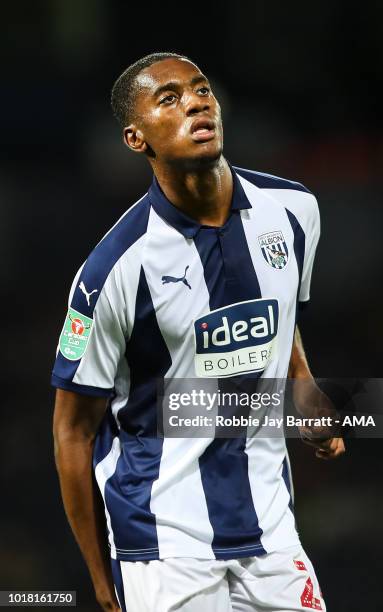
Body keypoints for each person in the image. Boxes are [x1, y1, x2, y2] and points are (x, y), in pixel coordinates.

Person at [52, 52, 345, 612]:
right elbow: (71, 432)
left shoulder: (293, 210)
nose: (195, 102)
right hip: (162, 547)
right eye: (169, 99)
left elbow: (286, 328)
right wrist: (99, 576)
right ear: (137, 139)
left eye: (201, 89)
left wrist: (305, 394)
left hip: (272, 531)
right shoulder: (113, 270)